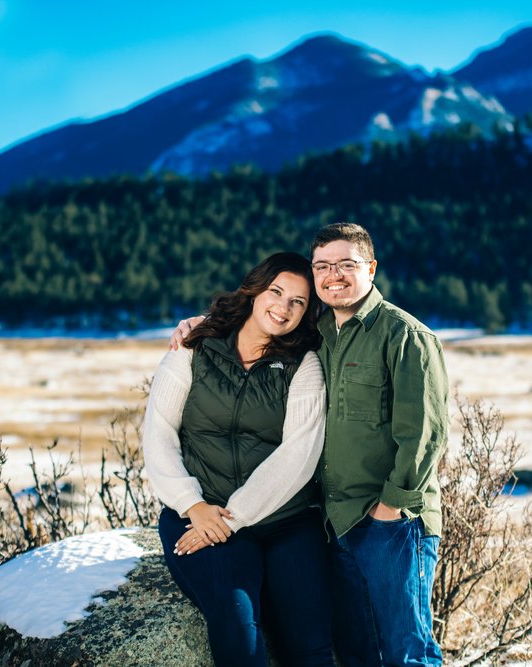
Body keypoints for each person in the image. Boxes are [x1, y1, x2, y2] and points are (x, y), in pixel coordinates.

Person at [173, 223, 449, 667]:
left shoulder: (406, 336)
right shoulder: (319, 333)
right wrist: (202, 324)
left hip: (390, 524)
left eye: (346, 265)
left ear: (371, 268)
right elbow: (263, 320)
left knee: (406, 653)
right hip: (336, 524)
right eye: (323, 266)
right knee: (358, 652)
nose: (333, 275)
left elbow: (425, 434)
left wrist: (390, 509)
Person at [144, 252, 334, 667]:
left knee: (311, 644)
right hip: (199, 511)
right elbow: (158, 433)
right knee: (236, 627)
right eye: (276, 292)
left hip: (285, 521)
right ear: (254, 290)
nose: (283, 308)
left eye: (298, 302)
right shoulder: (194, 347)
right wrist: (192, 505)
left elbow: (299, 455)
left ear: (307, 312)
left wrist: (232, 517)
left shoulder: (304, 365)